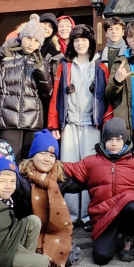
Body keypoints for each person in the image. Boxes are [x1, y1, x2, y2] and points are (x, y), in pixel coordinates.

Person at [0, 129, 82, 267]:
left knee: (69, 255)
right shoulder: (20, 176)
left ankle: (34, 261)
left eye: (52, 155)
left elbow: (86, 181)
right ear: (32, 156)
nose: (47, 159)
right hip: (23, 229)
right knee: (48, 258)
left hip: (48, 232)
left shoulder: (59, 179)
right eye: (42, 153)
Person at [64, 119, 134, 265]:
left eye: (118, 139)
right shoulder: (91, 162)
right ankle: (110, 238)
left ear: (124, 141)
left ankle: (128, 238)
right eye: (110, 139)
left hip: (127, 210)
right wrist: (42, 165)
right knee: (101, 257)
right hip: (103, 216)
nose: (113, 144)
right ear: (104, 141)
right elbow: (68, 169)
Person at [47, 24, 109, 228]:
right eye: (76, 40)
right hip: (71, 125)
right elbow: (56, 96)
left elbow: (106, 99)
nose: (80, 43)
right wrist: (54, 124)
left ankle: (91, 214)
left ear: (91, 42)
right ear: (72, 43)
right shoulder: (65, 66)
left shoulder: (100, 66)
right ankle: (72, 215)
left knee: (92, 170)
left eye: (84, 39)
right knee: (69, 169)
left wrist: (105, 126)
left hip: (92, 125)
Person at [0, 14, 52, 159]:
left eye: (36, 41)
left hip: (31, 122)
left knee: (28, 165)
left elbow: (47, 92)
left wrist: (41, 70)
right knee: (7, 162)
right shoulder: (3, 56)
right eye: (29, 38)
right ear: (22, 37)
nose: (32, 43)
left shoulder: (41, 63)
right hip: (6, 119)